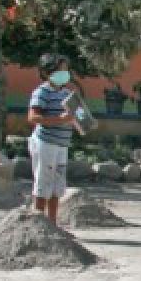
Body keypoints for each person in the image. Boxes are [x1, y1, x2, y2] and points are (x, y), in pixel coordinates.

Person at [27, 54, 82, 223]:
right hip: (46, 143)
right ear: (46, 72)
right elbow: (33, 117)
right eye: (60, 70)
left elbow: (77, 116)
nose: (64, 74)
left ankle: (51, 223)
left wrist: (83, 121)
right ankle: (37, 222)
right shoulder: (42, 92)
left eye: (66, 70)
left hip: (61, 144)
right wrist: (60, 119)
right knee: (43, 183)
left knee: (57, 185)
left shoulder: (67, 94)